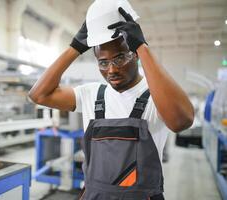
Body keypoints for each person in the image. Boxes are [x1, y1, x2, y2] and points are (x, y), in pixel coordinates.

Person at [29, 7, 194, 200]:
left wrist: (143, 47)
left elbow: (181, 122)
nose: (112, 70)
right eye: (103, 62)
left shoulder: (155, 97)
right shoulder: (92, 95)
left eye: (120, 58)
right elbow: (38, 95)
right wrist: (74, 48)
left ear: (135, 55)